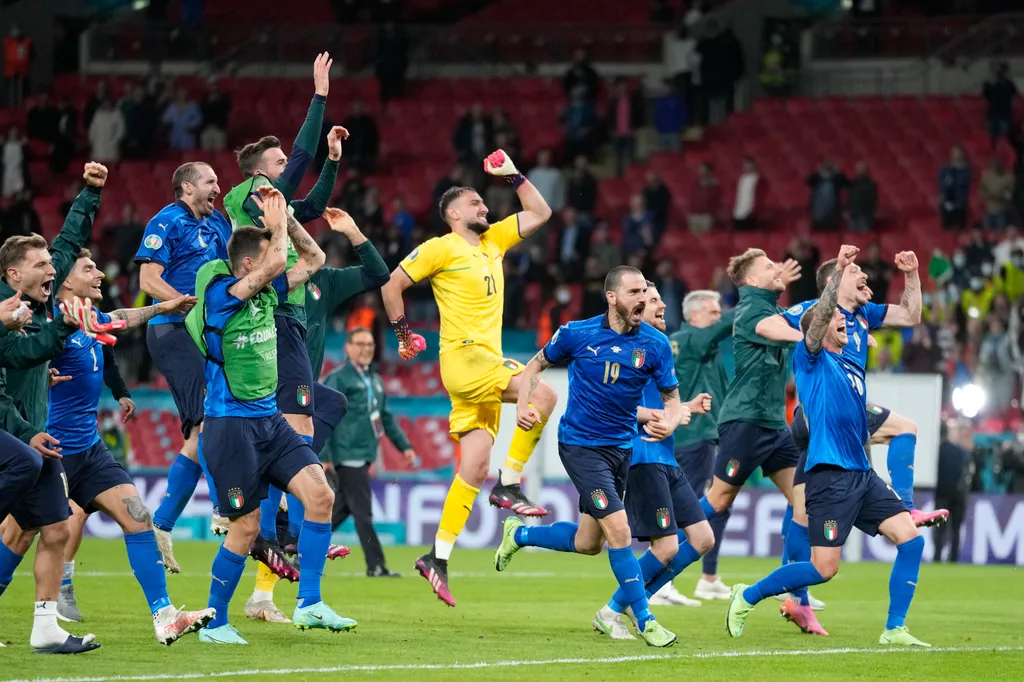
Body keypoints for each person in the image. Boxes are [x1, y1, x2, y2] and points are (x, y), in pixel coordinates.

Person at [726, 249, 931, 648]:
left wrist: (912, 274)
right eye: (837, 319)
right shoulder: (811, 356)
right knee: (824, 568)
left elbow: (909, 315)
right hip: (830, 474)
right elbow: (815, 320)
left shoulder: (853, 360)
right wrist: (837, 272)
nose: (845, 322)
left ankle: (894, 629)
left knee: (911, 540)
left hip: (861, 472)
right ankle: (747, 595)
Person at [380, 148, 554, 606]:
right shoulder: (441, 247)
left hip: (483, 369)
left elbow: (541, 211)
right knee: (545, 392)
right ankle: (511, 483)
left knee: (473, 467)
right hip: (466, 360)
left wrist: (513, 173)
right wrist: (402, 334)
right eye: (476, 203)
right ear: (454, 214)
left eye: (484, 202)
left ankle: (436, 557)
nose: (485, 207)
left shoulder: (494, 240)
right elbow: (391, 284)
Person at [185, 187, 352, 644]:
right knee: (247, 527)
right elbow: (277, 262)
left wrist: (289, 218)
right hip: (229, 428)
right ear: (246, 266)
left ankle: (311, 602)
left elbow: (313, 257)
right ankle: (214, 622)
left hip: (269, 422)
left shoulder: (265, 291)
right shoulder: (221, 294)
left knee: (320, 496)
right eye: (266, 254)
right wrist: (274, 226)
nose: (274, 255)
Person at [492, 266, 685, 648]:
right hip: (580, 446)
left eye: (644, 293)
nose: (642, 300)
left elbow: (671, 399)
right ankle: (645, 620)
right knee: (620, 531)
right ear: (612, 297)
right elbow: (535, 366)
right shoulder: (577, 333)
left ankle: (521, 534)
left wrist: (672, 422)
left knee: (588, 543)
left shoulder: (655, 344)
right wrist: (524, 405)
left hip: (621, 449)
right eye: (634, 293)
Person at [43, 250, 214, 642]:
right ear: (66, 282)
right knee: (20, 536)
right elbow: (23, 362)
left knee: (138, 517)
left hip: (90, 449)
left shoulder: (90, 322)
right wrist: (41, 378)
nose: (100, 273)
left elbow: (125, 317)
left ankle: (165, 615)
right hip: (53, 452)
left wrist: (164, 306)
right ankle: (49, 612)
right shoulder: (52, 326)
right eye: (89, 269)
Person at [222, 55, 347, 563]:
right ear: (258, 173)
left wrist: (334, 160)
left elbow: (310, 206)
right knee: (297, 426)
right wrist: (319, 97)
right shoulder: (249, 194)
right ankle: (283, 527)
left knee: (326, 408)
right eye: (276, 167)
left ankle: (280, 517)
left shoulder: (273, 203)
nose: (286, 172)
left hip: (283, 312)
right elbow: (297, 161)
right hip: (270, 316)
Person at [241, 206, 389, 624]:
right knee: (273, 496)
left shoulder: (324, 280)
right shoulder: (266, 280)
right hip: (263, 389)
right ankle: (271, 540)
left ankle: (262, 594)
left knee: (331, 405)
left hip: (301, 399)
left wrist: (355, 230)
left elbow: (379, 275)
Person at [0, 163, 107, 654]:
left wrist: (89, 193)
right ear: (12, 275)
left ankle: (45, 629)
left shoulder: (35, 310)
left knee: (58, 527)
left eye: (52, 266)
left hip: (30, 431)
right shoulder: (5, 311)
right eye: (42, 266)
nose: (53, 271)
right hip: (12, 433)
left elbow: (65, 245)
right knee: (19, 530)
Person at [780, 254, 949, 528]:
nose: (864, 276)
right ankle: (905, 509)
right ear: (833, 282)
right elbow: (766, 325)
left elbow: (910, 314)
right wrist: (810, 339)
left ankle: (794, 562)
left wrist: (912, 273)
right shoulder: (814, 312)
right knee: (904, 428)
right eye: (855, 271)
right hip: (820, 412)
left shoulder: (863, 314)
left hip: (839, 418)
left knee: (801, 511)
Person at [587, 282, 714, 636]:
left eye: (659, 299)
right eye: (650, 299)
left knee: (703, 538)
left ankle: (629, 600)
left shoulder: (657, 349)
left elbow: (663, 407)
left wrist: (685, 408)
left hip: (667, 458)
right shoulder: (626, 347)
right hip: (642, 455)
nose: (658, 305)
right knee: (666, 545)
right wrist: (657, 417)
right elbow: (619, 406)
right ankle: (615, 609)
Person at [136, 161, 232, 572]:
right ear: (187, 187)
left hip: (205, 333)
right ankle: (224, 505)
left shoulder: (219, 225)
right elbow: (146, 278)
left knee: (199, 429)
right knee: (210, 418)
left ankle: (162, 525)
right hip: (172, 329)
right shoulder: (167, 221)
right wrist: (180, 301)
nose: (217, 187)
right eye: (210, 181)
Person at [691, 248, 804, 594]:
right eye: (769, 266)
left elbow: (803, 315)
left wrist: (838, 299)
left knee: (805, 504)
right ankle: (663, 548)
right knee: (719, 501)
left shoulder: (771, 309)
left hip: (773, 425)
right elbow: (797, 331)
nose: (777, 269)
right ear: (752, 280)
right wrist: (819, 339)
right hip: (745, 423)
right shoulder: (752, 309)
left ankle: (797, 595)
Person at [322, 326, 415, 577]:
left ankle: (299, 548)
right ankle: (376, 565)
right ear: (348, 348)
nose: (366, 349)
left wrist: (404, 446)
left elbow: (385, 417)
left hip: (363, 453)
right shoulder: (338, 378)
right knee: (363, 513)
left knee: (342, 509)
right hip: (347, 453)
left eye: (370, 345)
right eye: (360, 344)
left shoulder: (374, 379)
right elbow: (323, 416)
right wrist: (324, 455)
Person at [671, 290, 736, 601]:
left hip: (709, 436)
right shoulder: (686, 340)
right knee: (688, 506)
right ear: (693, 317)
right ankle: (663, 577)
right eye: (712, 313)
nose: (718, 319)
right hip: (690, 436)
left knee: (719, 507)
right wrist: (755, 301)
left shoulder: (707, 352)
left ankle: (708, 577)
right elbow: (727, 326)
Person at [933, 419, 974, 563]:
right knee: (943, 529)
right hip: (947, 494)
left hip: (952, 495)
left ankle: (950, 558)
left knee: (952, 529)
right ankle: (940, 557)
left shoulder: (962, 451)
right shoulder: (944, 449)